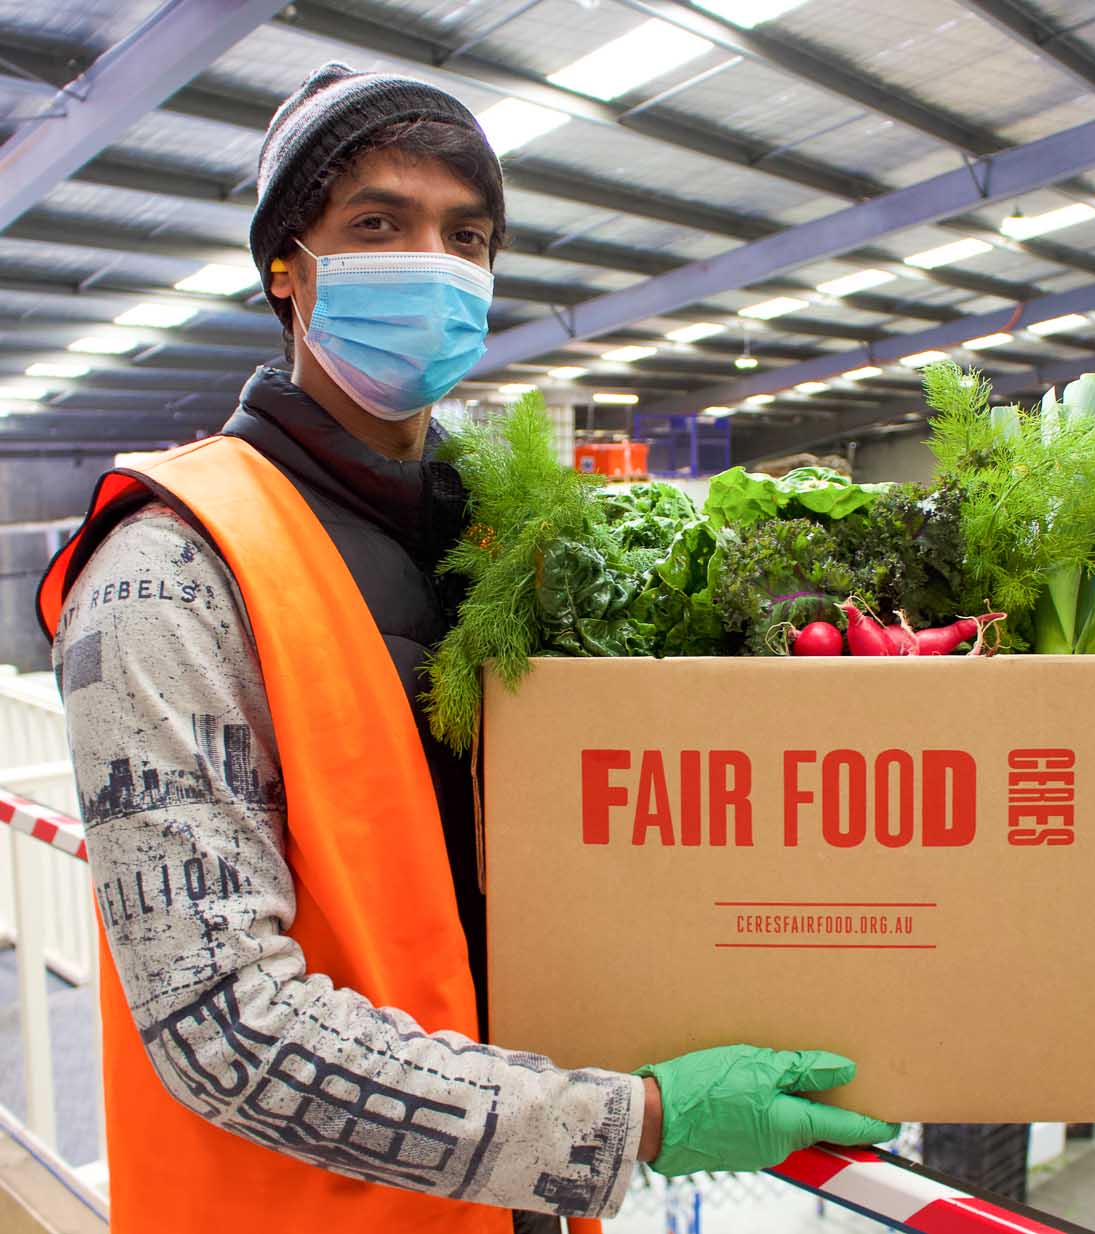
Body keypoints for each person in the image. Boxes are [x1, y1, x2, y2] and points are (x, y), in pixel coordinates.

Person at [37, 64, 895, 1234]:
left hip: (509, 1206)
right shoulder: (167, 570)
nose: (432, 262)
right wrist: (631, 1121)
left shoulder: (503, 542)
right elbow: (219, 1020)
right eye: (379, 224)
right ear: (287, 270)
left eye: (467, 235)